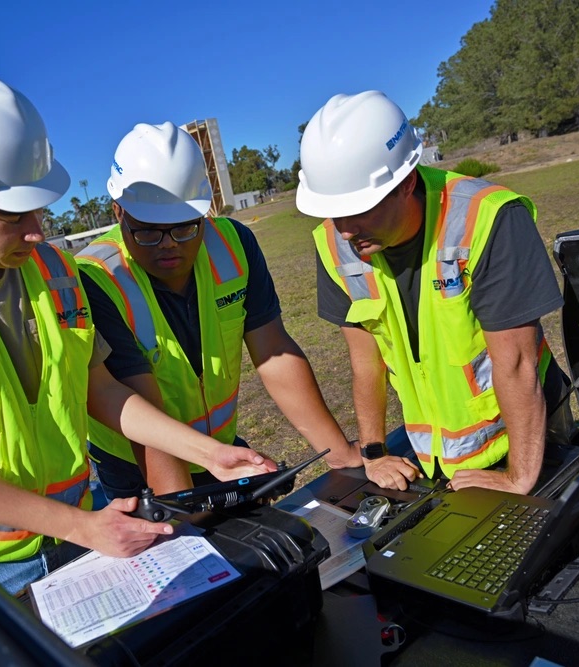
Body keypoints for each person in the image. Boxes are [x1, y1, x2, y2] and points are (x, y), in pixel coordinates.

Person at [0, 73, 275, 595]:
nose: (37, 230)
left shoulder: (54, 270)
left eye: (38, 207)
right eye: (12, 215)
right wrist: (85, 528)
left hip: (73, 536)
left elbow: (103, 390)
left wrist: (208, 453)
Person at [297, 91, 573, 495]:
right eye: (336, 211)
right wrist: (373, 451)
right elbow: (365, 360)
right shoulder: (334, 243)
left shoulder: (488, 218)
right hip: (435, 457)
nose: (345, 229)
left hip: (529, 440)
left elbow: (516, 361)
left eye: (359, 208)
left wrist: (519, 476)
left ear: (407, 182)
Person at [76, 121, 366, 500]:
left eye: (184, 228)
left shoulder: (233, 244)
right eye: (148, 231)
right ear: (118, 213)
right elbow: (142, 415)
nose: (169, 245)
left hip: (219, 447)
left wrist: (341, 454)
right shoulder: (97, 278)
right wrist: (186, 524)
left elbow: (274, 353)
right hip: (136, 463)